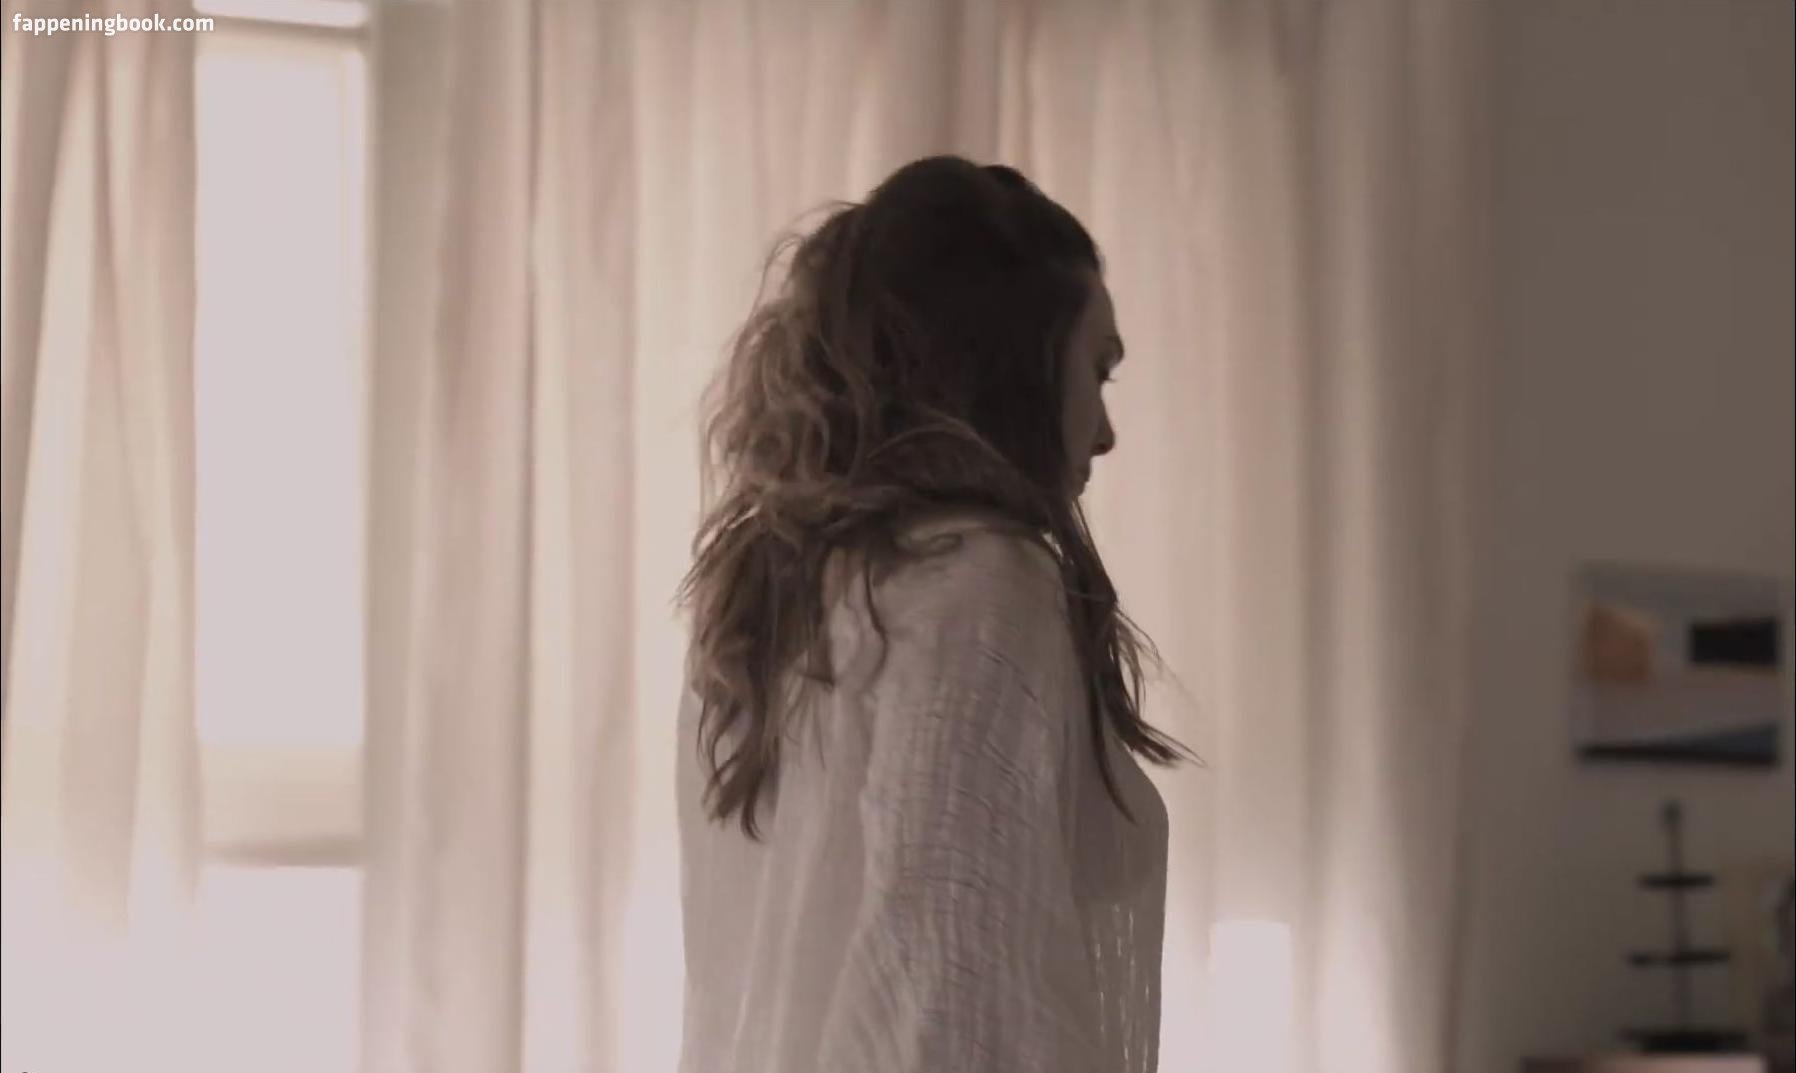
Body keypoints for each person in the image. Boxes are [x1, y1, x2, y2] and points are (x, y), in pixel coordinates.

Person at [673, 155, 1197, 1073]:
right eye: (1099, 369)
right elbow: (942, 991)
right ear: (1018, 360)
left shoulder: (778, 598)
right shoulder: (984, 586)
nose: (1107, 431)